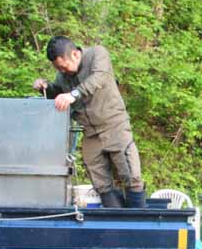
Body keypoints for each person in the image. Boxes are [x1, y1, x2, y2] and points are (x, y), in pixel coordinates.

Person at [34, 36, 145, 208]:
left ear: (75, 54)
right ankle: (117, 221)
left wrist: (73, 94)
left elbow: (99, 78)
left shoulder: (97, 54)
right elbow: (58, 94)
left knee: (131, 175)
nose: (62, 71)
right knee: (101, 184)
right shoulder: (62, 76)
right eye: (58, 68)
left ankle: (139, 221)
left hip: (114, 125)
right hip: (90, 133)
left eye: (63, 66)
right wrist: (46, 87)